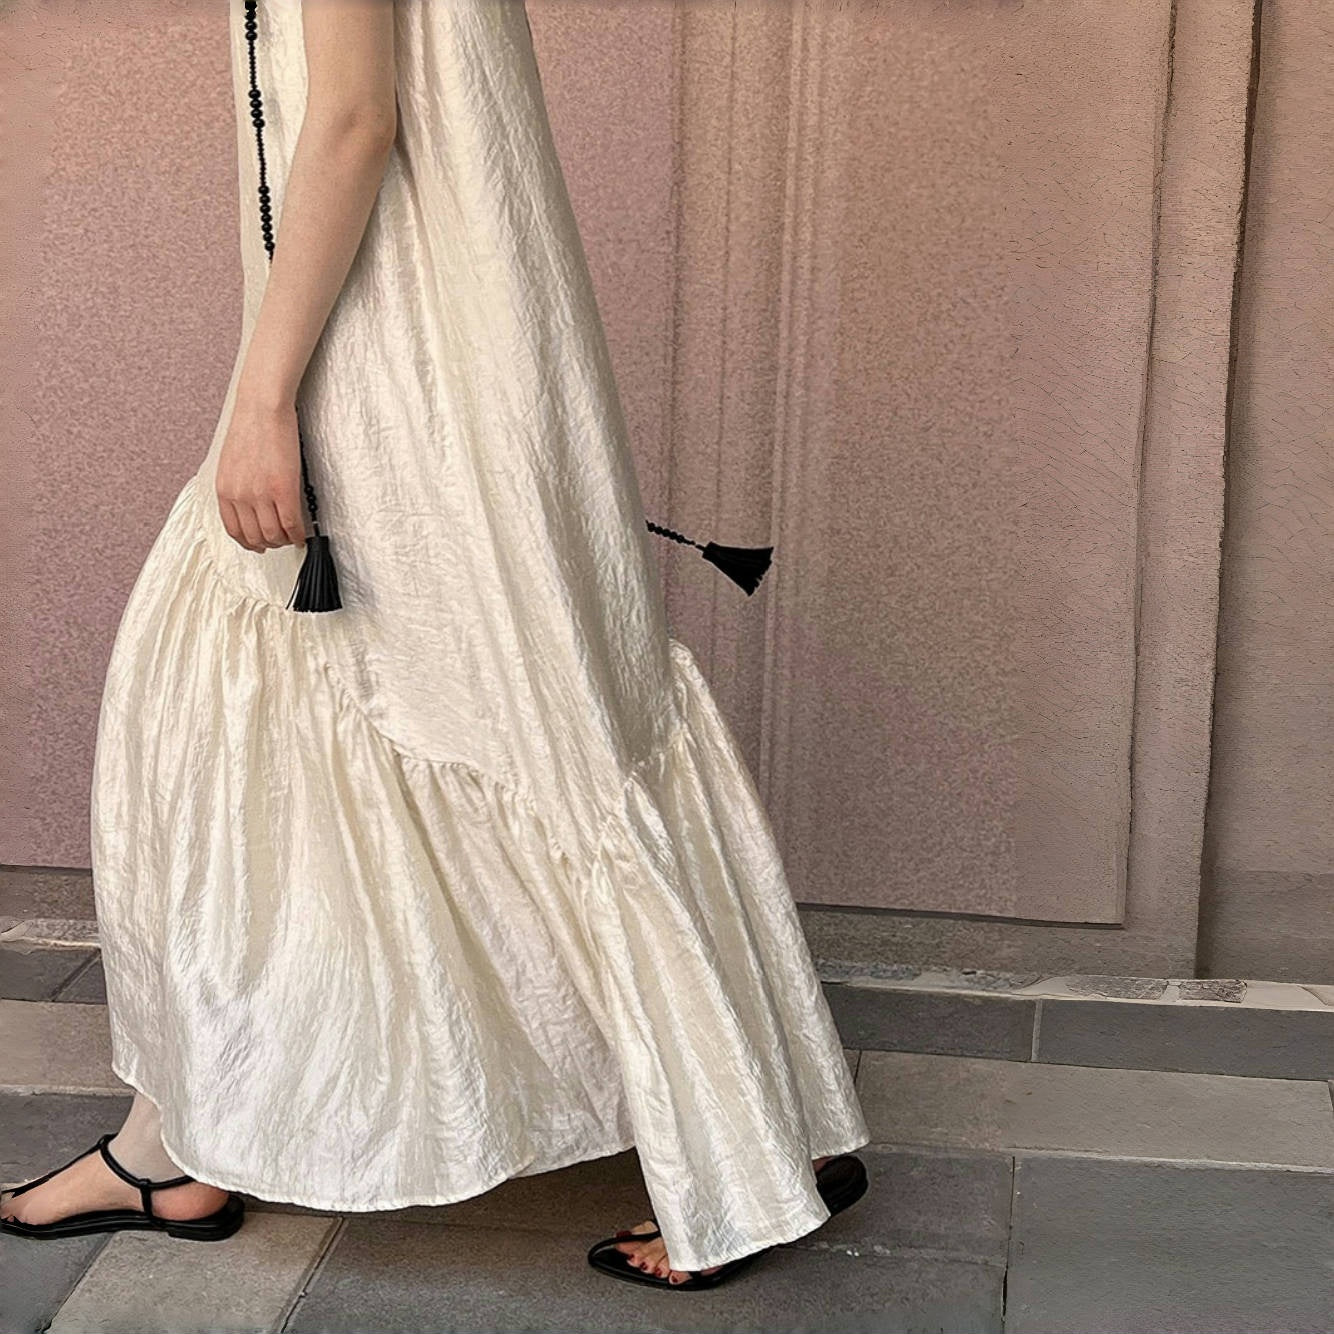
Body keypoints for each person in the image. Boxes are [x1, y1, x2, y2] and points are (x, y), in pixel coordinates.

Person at [2, 0, 869, 1290]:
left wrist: (263, 399)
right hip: (440, 352)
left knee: (479, 725)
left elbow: (355, 119)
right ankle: (171, 1147)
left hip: (404, 369)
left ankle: (748, 1159)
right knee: (376, 724)